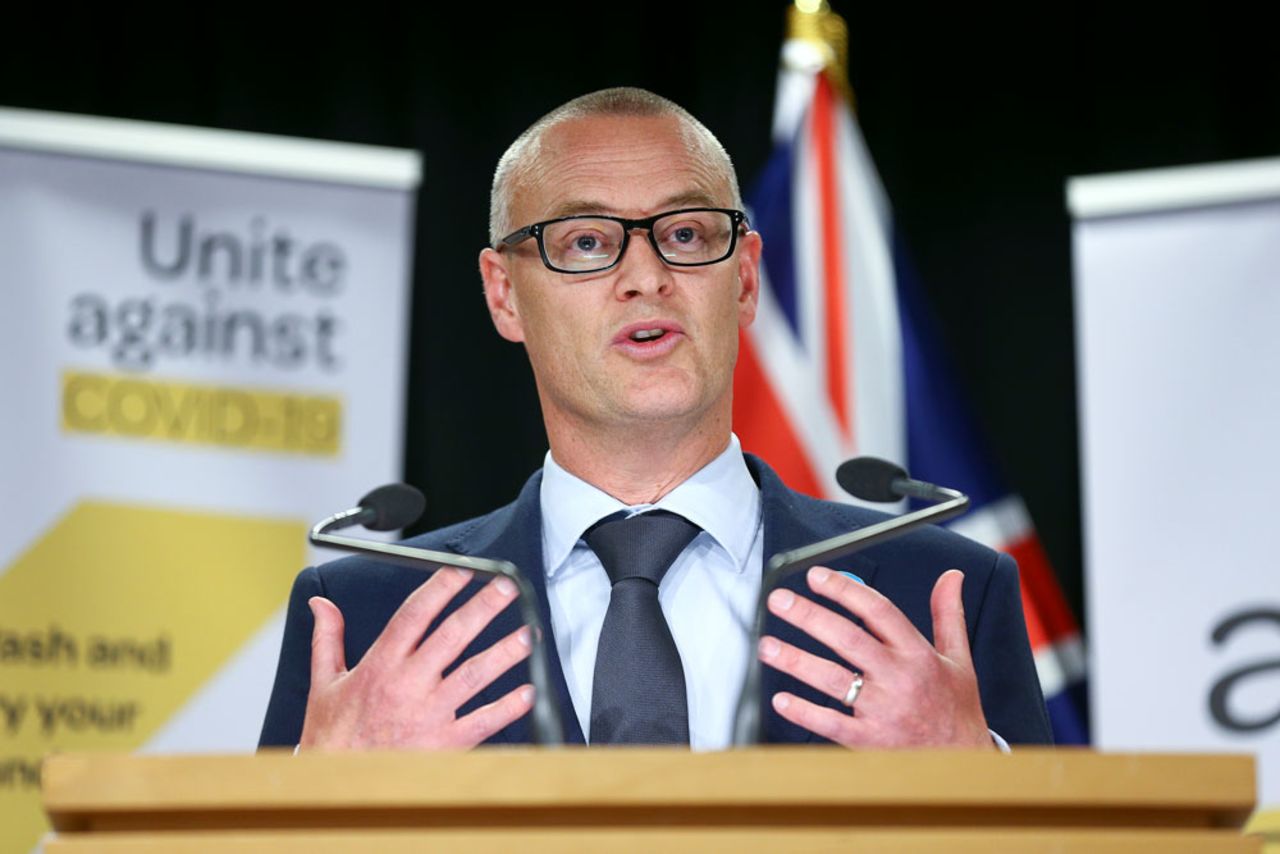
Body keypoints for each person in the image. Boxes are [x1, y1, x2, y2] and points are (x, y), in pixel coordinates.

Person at [259, 87, 1051, 751]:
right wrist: (318, 805)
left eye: (684, 234)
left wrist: (980, 780)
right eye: (586, 241)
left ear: (743, 280)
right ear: (504, 294)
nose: (646, 276)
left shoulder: (942, 589)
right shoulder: (363, 612)